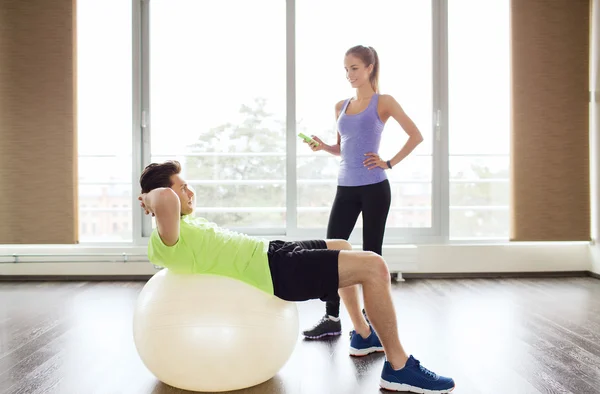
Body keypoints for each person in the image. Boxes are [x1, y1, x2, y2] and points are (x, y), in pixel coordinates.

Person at [138, 160, 454, 393]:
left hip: (274, 252)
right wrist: (149, 197)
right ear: (160, 196)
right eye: (182, 187)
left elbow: (168, 199)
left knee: (342, 245)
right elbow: (164, 198)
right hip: (277, 271)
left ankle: (362, 333)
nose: (189, 191)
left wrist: (162, 196)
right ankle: (398, 366)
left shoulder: (184, 224)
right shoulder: (168, 240)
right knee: (375, 267)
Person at [302, 45, 424, 339]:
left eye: (354, 68)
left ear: (370, 67)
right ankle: (332, 317)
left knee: (372, 255)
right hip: (345, 187)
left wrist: (389, 162)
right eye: (346, 69)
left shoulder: (384, 102)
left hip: (374, 188)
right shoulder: (340, 106)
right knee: (331, 251)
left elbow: (416, 135)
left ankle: (372, 321)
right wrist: (323, 147)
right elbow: (343, 148)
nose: (349, 74)